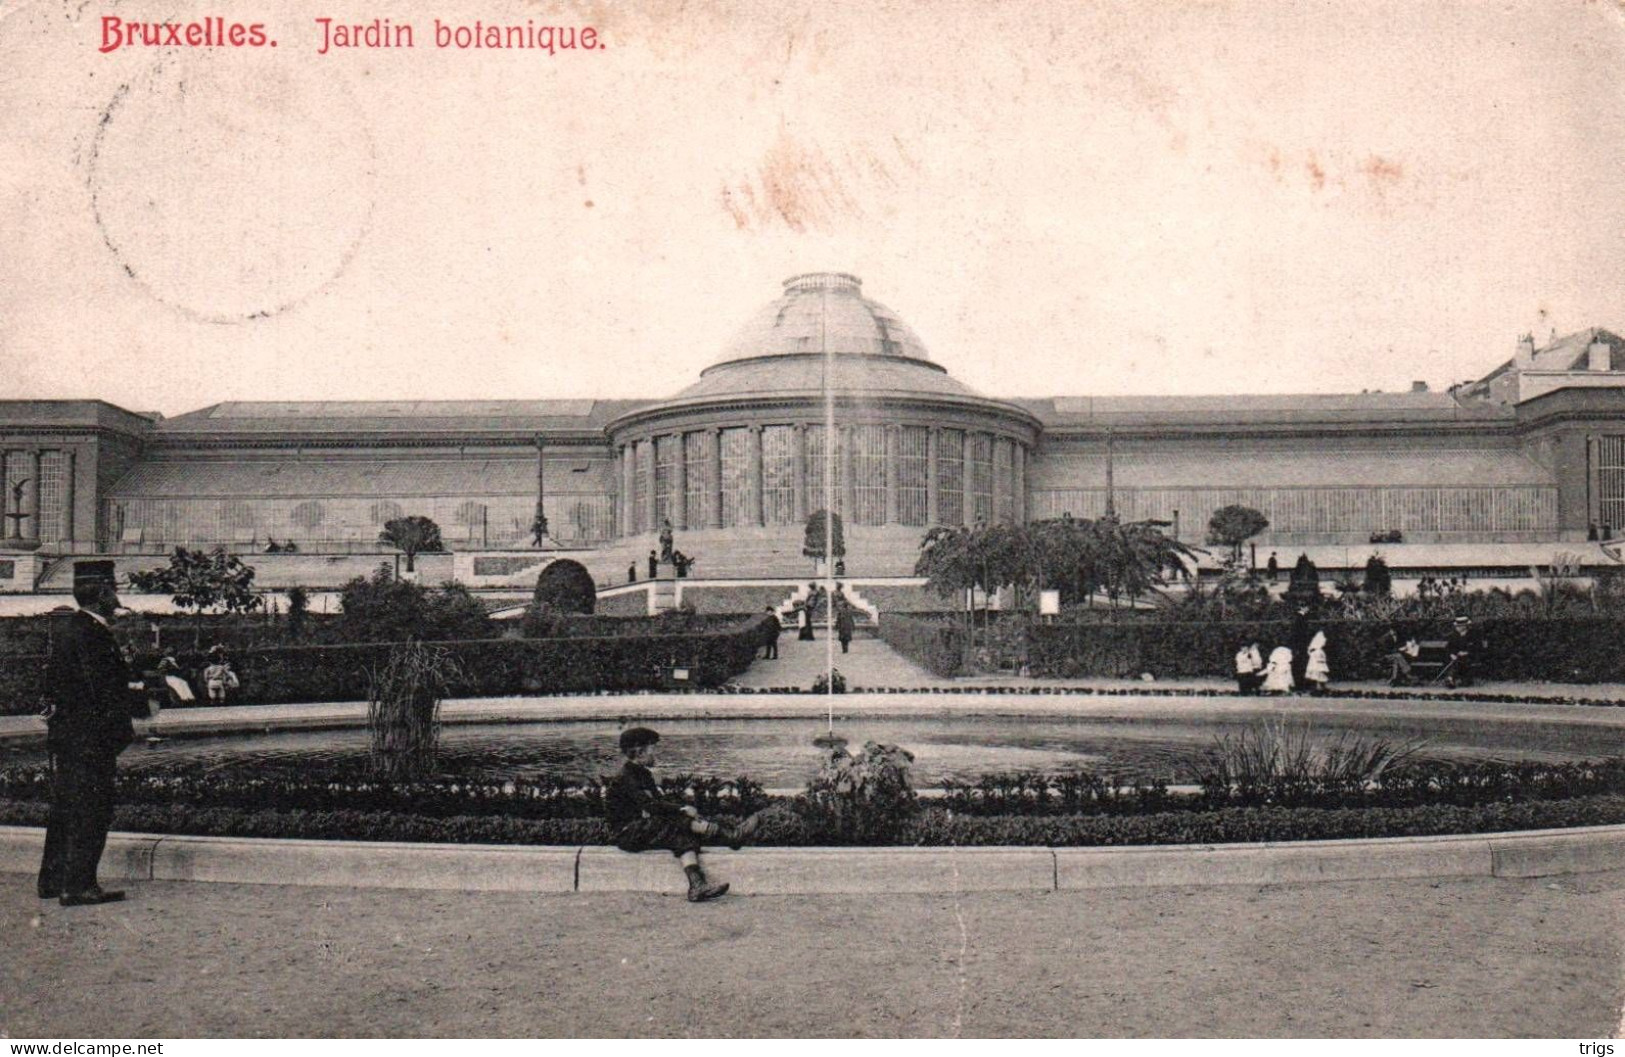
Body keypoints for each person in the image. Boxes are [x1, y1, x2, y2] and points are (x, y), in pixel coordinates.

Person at [37, 574, 156, 906]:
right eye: (113, 590)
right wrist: (125, 718)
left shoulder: (70, 629)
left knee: (65, 806)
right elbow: (100, 689)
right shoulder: (93, 633)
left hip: (71, 736)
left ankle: (53, 879)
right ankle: (79, 886)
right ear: (103, 594)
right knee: (92, 808)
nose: (117, 596)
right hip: (91, 738)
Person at [604, 727, 759, 903]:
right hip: (626, 833)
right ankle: (731, 836)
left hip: (640, 828)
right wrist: (682, 810)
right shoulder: (626, 776)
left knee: (681, 834)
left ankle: (697, 886)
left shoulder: (643, 774)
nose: (656, 753)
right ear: (639, 752)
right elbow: (650, 805)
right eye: (652, 748)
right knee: (676, 820)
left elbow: (658, 803)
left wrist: (683, 809)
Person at [1445, 615, 1477, 688]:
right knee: (1455, 661)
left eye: (1460, 626)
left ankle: (1453, 678)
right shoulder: (1454, 635)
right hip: (1456, 656)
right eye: (1457, 626)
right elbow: (1449, 647)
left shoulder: (1473, 634)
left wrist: (1467, 652)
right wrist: (1452, 654)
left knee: (1462, 660)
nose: (1458, 628)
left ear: (1465, 626)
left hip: (1470, 656)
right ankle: (1450, 679)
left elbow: (1477, 647)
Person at [1288, 605, 1313, 688]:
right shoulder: (1299, 619)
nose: (1308, 609)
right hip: (1300, 645)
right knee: (1300, 664)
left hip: (1299, 645)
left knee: (1300, 664)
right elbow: (1298, 634)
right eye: (1307, 607)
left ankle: (1300, 682)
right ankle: (1300, 683)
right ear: (1302, 608)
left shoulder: (1300, 618)